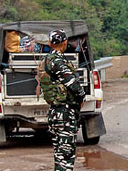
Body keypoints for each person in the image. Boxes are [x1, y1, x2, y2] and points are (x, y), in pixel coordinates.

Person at [40, 29, 86, 171]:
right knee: (66, 157)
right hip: (64, 113)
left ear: (49, 43)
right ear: (65, 42)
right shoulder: (57, 61)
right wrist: (82, 96)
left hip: (56, 112)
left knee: (60, 156)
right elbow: (72, 84)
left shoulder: (48, 59)